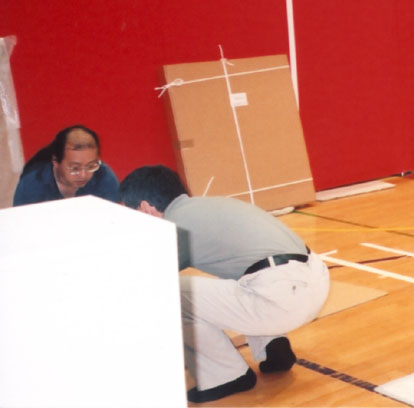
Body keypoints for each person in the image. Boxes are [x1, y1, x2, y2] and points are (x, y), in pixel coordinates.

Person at [119, 165, 330, 404]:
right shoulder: (208, 207)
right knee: (236, 277)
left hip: (283, 297)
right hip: (314, 280)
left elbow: (144, 279)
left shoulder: (173, 225)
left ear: (146, 208)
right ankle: (273, 345)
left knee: (170, 293)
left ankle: (228, 376)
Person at [12, 124, 120, 206]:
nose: (83, 175)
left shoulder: (105, 178)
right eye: (75, 168)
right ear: (55, 161)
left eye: (90, 166)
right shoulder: (31, 185)